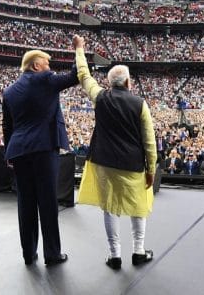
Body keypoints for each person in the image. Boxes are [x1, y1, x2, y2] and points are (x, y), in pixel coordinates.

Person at [73, 35, 157, 270]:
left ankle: (114, 255)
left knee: (109, 208)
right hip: (132, 163)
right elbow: (149, 142)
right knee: (138, 205)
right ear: (129, 82)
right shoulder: (140, 104)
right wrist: (151, 169)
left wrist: (80, 50)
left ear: (109, 83)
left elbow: (84, 76)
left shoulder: (100, 97)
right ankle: (139, 251)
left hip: (104, 162)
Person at [2, 48, 78, 266]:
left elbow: (7, 125)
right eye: (47, 63)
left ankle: (28, 253)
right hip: (43, 149)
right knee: (47, 202)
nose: (50, 68)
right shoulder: (44, 80)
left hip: (18, 151)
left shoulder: (9, 91)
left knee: (25, 203)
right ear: (36, 66)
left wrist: (9, 151)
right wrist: (79, 49)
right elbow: (74, 76)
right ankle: (52, 254)